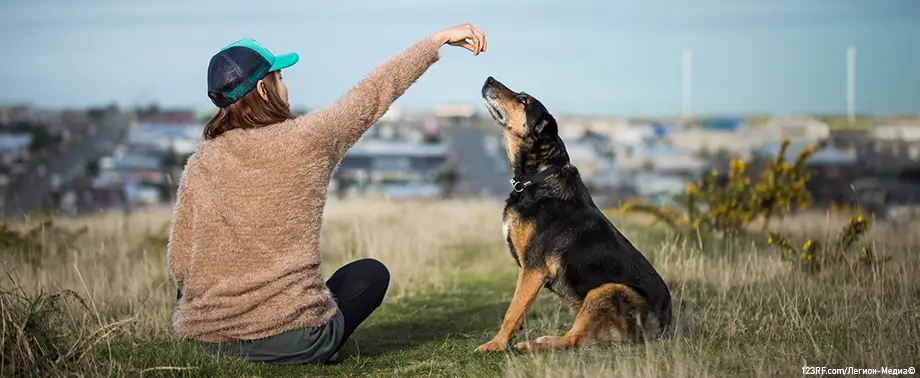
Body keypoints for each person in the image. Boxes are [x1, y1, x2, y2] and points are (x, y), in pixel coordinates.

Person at [166, 23, 487, 364]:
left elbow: (180, 263)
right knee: (371, 274)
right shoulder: (305, 140)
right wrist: (435, 42)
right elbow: (372, 94)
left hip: (207, 341)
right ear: (263, 90)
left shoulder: (200, 162)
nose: (285, 87)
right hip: (295, 340)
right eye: (280, 78)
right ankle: (308, 349)